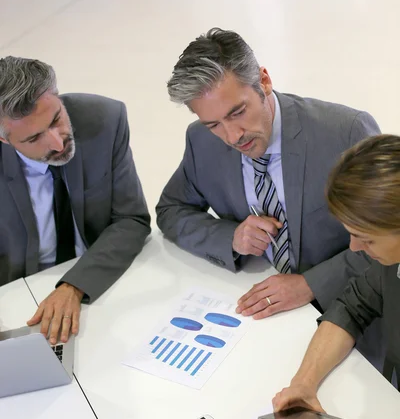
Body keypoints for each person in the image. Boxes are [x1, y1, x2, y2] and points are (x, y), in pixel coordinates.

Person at [156, 28, 380, 321]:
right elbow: (171, 210)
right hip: (259, 314)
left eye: (238, 112)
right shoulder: (201, 141)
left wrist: (311, 284)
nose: (233, 136)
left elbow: (392, 235)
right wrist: (231, 238)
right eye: (214, 124)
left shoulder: (345, 133)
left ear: (264, 80)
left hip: (351, 308)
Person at [0, 56, 150, 344]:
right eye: (34, 139)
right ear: (5, 140)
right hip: (16, 300)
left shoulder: (106, 118)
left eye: (56, 119)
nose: (57, 143)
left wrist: (74, 285)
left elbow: (131, 219)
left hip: (96, 279)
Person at [273, 134, 400, 415]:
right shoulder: (389, 262)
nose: (354, 248)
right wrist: (303, 383)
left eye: (366, 239)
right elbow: (352, 307)